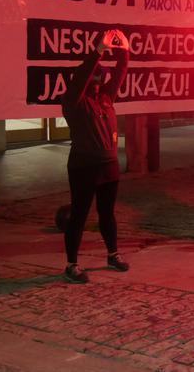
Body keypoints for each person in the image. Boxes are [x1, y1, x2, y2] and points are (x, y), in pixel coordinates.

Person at [61, 29, 130, 283]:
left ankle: (113, 255)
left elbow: (120, 73)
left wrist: (124, 50)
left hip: (108, 165)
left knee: (107, 213)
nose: (100, 80)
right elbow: (82, 77)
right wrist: (99, 50)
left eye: (101, 77)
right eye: (96, 76)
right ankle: (72, 265)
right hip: (84, 167)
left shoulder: (105, 98)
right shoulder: (74, 102)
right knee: (79, 215)